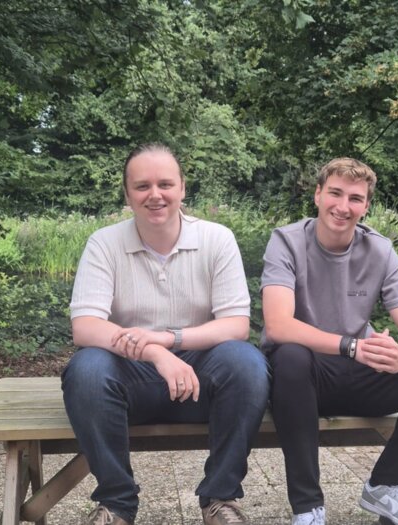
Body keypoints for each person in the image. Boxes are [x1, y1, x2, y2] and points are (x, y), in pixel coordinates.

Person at [62, 143, 270, 525]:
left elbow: (236, 324)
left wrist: (167, 340)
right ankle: (116, 504)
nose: (154, 195)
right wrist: (155, 353)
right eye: (142, 186)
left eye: (165, 184)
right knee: (87, 369)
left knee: (247, 363)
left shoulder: (217, 239)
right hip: (129, 379)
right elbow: (85, 326)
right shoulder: (104, 243)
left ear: (182, 188)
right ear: (127, 194)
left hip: (198, 380)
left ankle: (219, 498)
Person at [260, 157, 398, 525]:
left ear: (366, 205)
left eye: (355, 198)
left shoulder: (379, 250)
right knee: (290, 357)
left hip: (357, 374)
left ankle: (385, 486)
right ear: (318, 195)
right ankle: (308, 508)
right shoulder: (286, 241)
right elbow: (278, 326)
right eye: (335, 193)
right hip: (301, 382)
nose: (343, 206)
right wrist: (352, 346)